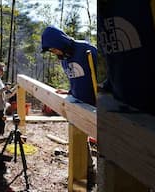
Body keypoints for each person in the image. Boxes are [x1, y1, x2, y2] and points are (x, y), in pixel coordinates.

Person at [41, 26, 97, 190]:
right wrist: (70, 92)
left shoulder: (88, 50)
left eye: (53, 48)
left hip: (95, 106)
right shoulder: (63, 57)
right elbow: (76, 79)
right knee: (79, 139)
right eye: (51, 50)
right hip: (78, 105)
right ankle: (88, 174)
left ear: (61, 42)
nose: (54, 52)